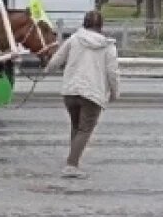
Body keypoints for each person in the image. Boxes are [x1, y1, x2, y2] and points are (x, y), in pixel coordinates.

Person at [45, 9, 120, 178]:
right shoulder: (108, 46)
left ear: (84, 23)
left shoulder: (73, 39)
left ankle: (73, 159)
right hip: (92, 93)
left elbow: (57, 59)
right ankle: (71, 165)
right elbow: (113, 72)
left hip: (71, 91)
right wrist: (115, 93)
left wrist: (47, 69)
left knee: (77, 127)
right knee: (85, 129)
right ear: (101, 26)